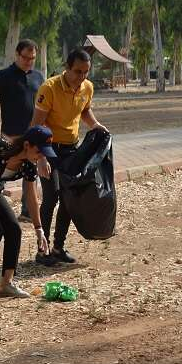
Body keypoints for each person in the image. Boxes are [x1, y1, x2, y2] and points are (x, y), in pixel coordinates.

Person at [31, 48, 108, 266]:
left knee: (69, 199)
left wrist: (95, 125)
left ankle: (58, 247)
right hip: (48, 148)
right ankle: (42, 250)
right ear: (67, 68)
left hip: (71, 149)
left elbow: (85, 110)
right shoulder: (49, 88)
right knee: (51, 197)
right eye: (77, 71)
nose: (81, 77)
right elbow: (36, 125)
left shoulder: (87, 87)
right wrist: (41, 158)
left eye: (86, 72)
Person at [0, 126, 56, 298]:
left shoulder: (28, 166)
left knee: (14, 228)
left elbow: (31, 196)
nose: (41, 157)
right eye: (39, 152)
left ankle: (7, 284)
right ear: (27, 145)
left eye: (44, 154)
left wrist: (39, 229)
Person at [0, 39, 45, 223]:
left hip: (31, 138)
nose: (29, 61)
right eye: (26, 57)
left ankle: (26, 212)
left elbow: (44, 107)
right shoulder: (4, 76)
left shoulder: (39, 77)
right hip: (9, 137)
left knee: (30, 175)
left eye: (32, 58)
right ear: (17, 54)